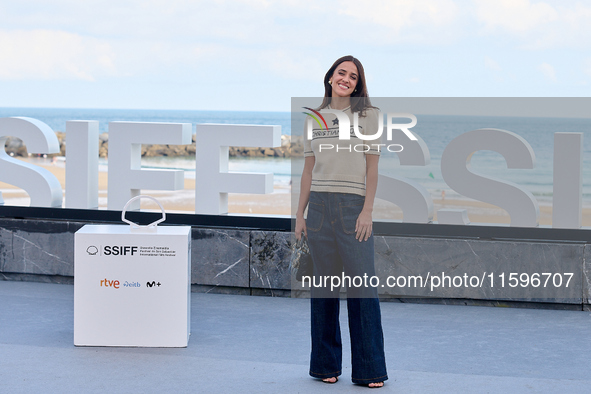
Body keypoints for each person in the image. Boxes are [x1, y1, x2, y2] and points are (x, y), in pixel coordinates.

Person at [295, 55, 388, 388]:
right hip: (318, 208)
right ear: (330, 77)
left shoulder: (369, 116)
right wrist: (300, 215)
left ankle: (369, 370)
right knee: (324, 292)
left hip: (353, 208)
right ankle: (324, 366)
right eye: (341, 73)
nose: (346, 78)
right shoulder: (313, 119)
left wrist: (367, 211)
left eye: (353, 75)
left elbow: (372, 167)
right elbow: (308, 171)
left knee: (363, 290)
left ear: (358, 84)